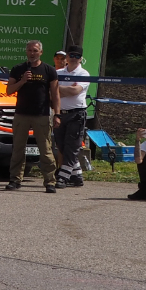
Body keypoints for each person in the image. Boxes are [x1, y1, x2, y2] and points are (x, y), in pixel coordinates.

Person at [5, 40, 60, 193]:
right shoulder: (18, 69)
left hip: (41, 115)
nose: (32, 53)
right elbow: (9, 90)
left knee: (46, 149)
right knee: (18, 149)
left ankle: (50, 181)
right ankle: (15, 179)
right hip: (21, 114)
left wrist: (57, 114)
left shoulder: (49, 70)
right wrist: (22, 81)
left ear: (41, 52)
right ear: (26, 52)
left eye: (35, 50)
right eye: (29, 50)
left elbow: (55, 95)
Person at [54, 45, 90, 188]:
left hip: (77, 113)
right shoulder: (58, 72)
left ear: (81, 59)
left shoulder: (84, 74)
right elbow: (51, 91)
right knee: (61, 145)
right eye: (71, 55)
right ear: (67, 57)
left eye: (77, 56)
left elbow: (75, 91)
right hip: (60, 113)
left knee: (72, 146)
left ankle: (63, 176)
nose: (74, 58)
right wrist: (62, 90)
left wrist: (57, 88)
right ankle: (77, 175)